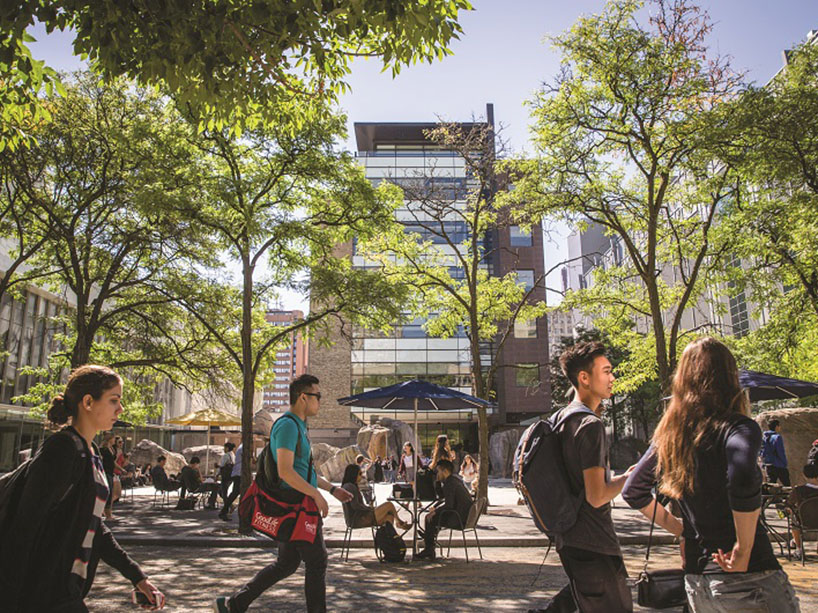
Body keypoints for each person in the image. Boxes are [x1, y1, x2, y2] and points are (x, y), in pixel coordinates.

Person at [622, 337, 799, 613]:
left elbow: (633, 489)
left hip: (698, 584)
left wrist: (681, 530)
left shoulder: (671, 436)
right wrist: (743, 548)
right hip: (750, 579)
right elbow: (741, 476)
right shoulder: (738, 427)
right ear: (730, 376)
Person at [0, 364, 165, 612]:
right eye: (114, 400)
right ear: (88, 402)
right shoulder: (61, 450)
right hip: (41, 594)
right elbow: (24, 529)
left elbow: (93, 525)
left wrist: (138, 577)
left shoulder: (91, 453)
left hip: (66, 589)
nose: (121, 409)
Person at [214, 374, 353, 613]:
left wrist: (331, 489)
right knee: (317, 562)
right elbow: (286, 472)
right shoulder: (288, 425)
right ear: (302, 397)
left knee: (286, 564)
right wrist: (316, 496)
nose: (320, 401)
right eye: (317, 396)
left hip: (299, 504)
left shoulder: (299, 426)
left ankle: (235, 604)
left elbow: (303, 471)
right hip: (296, 506)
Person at [536, 341, 635, 613]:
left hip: (569, 537)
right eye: (606, 371)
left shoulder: (562, 419)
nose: (612, 378)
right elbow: (597, 495)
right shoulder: (590, 425)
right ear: (584, 378)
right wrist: (630, 476)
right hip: (595, 541)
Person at [415, 459, 474, 560]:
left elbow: (449, 505)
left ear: (445, 471)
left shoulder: (450, 483)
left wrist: (435, 511)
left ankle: (429, 547)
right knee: (433, 519)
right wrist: (437, 482)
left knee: (429, 518)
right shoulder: (453, 480)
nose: (437, 473)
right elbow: (443, 496)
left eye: (438, 471)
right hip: (464, 516)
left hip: (458, 518)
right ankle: (429, 537)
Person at [340, 464, 410, 529]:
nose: (361, 476)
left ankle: (388, 540)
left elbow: (358, 506)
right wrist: (370, 509)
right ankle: (399, 522)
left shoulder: (350, 486)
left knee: (389, 517)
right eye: (360, 474)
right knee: (389, 505)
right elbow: (356, 506)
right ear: (353, 474)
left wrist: (370, 508)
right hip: (357, 520)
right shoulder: (350, 487)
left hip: (360, 517)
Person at [761, 418, 791, 486]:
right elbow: (780, 452)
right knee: (787, 485)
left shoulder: (764, 437)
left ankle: (770, 497)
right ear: (777, 426)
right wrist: (784, 463)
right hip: (778, 465)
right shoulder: (777, 437)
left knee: (771, 486)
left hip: (768, 465)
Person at [219, 443, 244, 520]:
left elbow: (222, 465)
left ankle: (225, 509)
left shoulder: (237, 450)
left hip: (234, 474)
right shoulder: (240, 450)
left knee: (232, 492)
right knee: (233, 492)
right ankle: (225, 510)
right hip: (237, 474)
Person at [100, 432, 119, 520]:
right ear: (110, 439)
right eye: (114, 438)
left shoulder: (112, 448)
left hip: (111, 472)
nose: (115, 440)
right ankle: (107, 514)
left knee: (111, 493)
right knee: (108, 492)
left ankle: (108, 513)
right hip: (106, 471)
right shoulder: (103, 449)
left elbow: (113, 461)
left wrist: (121, 470)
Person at [218, 442, 236, 507]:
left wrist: (217, 474)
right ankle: (229, 505)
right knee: (222, 492)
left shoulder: (226, 455)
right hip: (231, 476)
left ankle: (228, 506)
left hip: (225, 476)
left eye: (224, 448)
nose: (224, 449)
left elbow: (221, 466)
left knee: (223, 492)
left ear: (227, 448)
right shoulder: (233, 455)